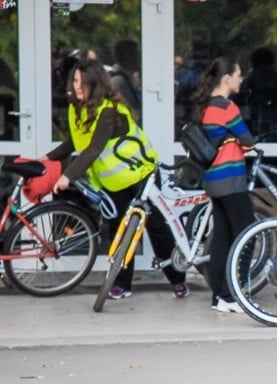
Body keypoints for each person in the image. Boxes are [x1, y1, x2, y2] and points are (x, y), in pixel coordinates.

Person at [43, 59, 187, 300]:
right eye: (75, 80)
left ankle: (177, 279)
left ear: (96, 83)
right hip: (113, 182)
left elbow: (94, 148)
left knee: (156, 227)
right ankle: (121, 284)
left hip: (141, 175)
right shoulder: (76, 110)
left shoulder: (109, 110)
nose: (77, 86)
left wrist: (68, 175)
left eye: (83, 82)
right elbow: (74, 143)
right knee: (118, 229)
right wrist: (46, 158)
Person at [193, 57, 257, 313]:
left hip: (214, 180)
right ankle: (232, 295)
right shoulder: (226, 107)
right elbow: (249, 141)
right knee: (247, 235)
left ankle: (219, 297)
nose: (241, 79)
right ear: (227, 78)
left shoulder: (208, 106)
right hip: (230, 178)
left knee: (222, 238)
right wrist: (238, 140)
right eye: (239, 74)